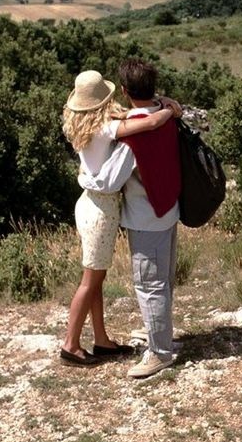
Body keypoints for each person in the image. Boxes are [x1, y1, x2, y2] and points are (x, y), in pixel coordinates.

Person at [60, 70, 179, 367]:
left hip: (90, 205)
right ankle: (70, 345)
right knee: (90, 280)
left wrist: (163, 104)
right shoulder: (107, 128)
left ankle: (101, 339)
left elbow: (129, 114)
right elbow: (147, 121)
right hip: (101, 209)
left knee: (95, 277)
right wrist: (167, 111)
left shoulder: (86, 124)